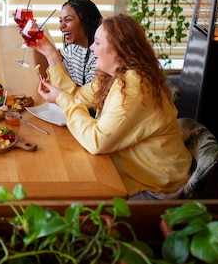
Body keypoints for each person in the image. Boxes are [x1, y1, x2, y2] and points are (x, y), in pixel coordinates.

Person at [34, 14, 191, 200]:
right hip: (127, 170)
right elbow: (77, 96)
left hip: (154, 187)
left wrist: (62, 99)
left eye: (98, 43)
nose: (91, 47)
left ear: (118, 49)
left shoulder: (134, 85)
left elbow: (97, 141)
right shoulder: (113, 76)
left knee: (69, 196)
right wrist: (51, 55)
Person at [32, 0, 102, 86]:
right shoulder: (72, 50)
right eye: (60, 21)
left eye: (68, 20)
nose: (61, 26)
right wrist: (36, 43)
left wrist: (54, 57)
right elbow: (47, 78)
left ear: (86, 21)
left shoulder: (99, 56)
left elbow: (87, 97)